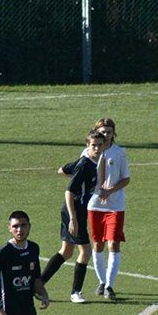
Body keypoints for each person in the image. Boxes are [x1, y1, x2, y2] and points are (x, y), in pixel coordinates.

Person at [40, 129, 105, 304]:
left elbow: (62, 170)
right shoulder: (85, 165)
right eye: (94, 145)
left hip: (75, 211)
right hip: (74, 212)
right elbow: (69, 191)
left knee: (67, 251)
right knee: (85, 251)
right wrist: (73, 219)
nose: (97, 149)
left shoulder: (87, 162)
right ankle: (76, 292)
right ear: (87, 145)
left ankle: (37, 285)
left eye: (100, 145)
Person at [88, 118, 130, 301]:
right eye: (102, 132)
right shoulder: (89, 152)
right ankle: (102, 281)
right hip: (95, 205)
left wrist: (110, 190)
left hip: (115, 206)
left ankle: (110, 286)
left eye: (109, 132)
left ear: (114, 133)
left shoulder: (119, 153)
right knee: (98, 244)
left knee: (114, 243)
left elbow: (126, 178)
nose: (105, 135)